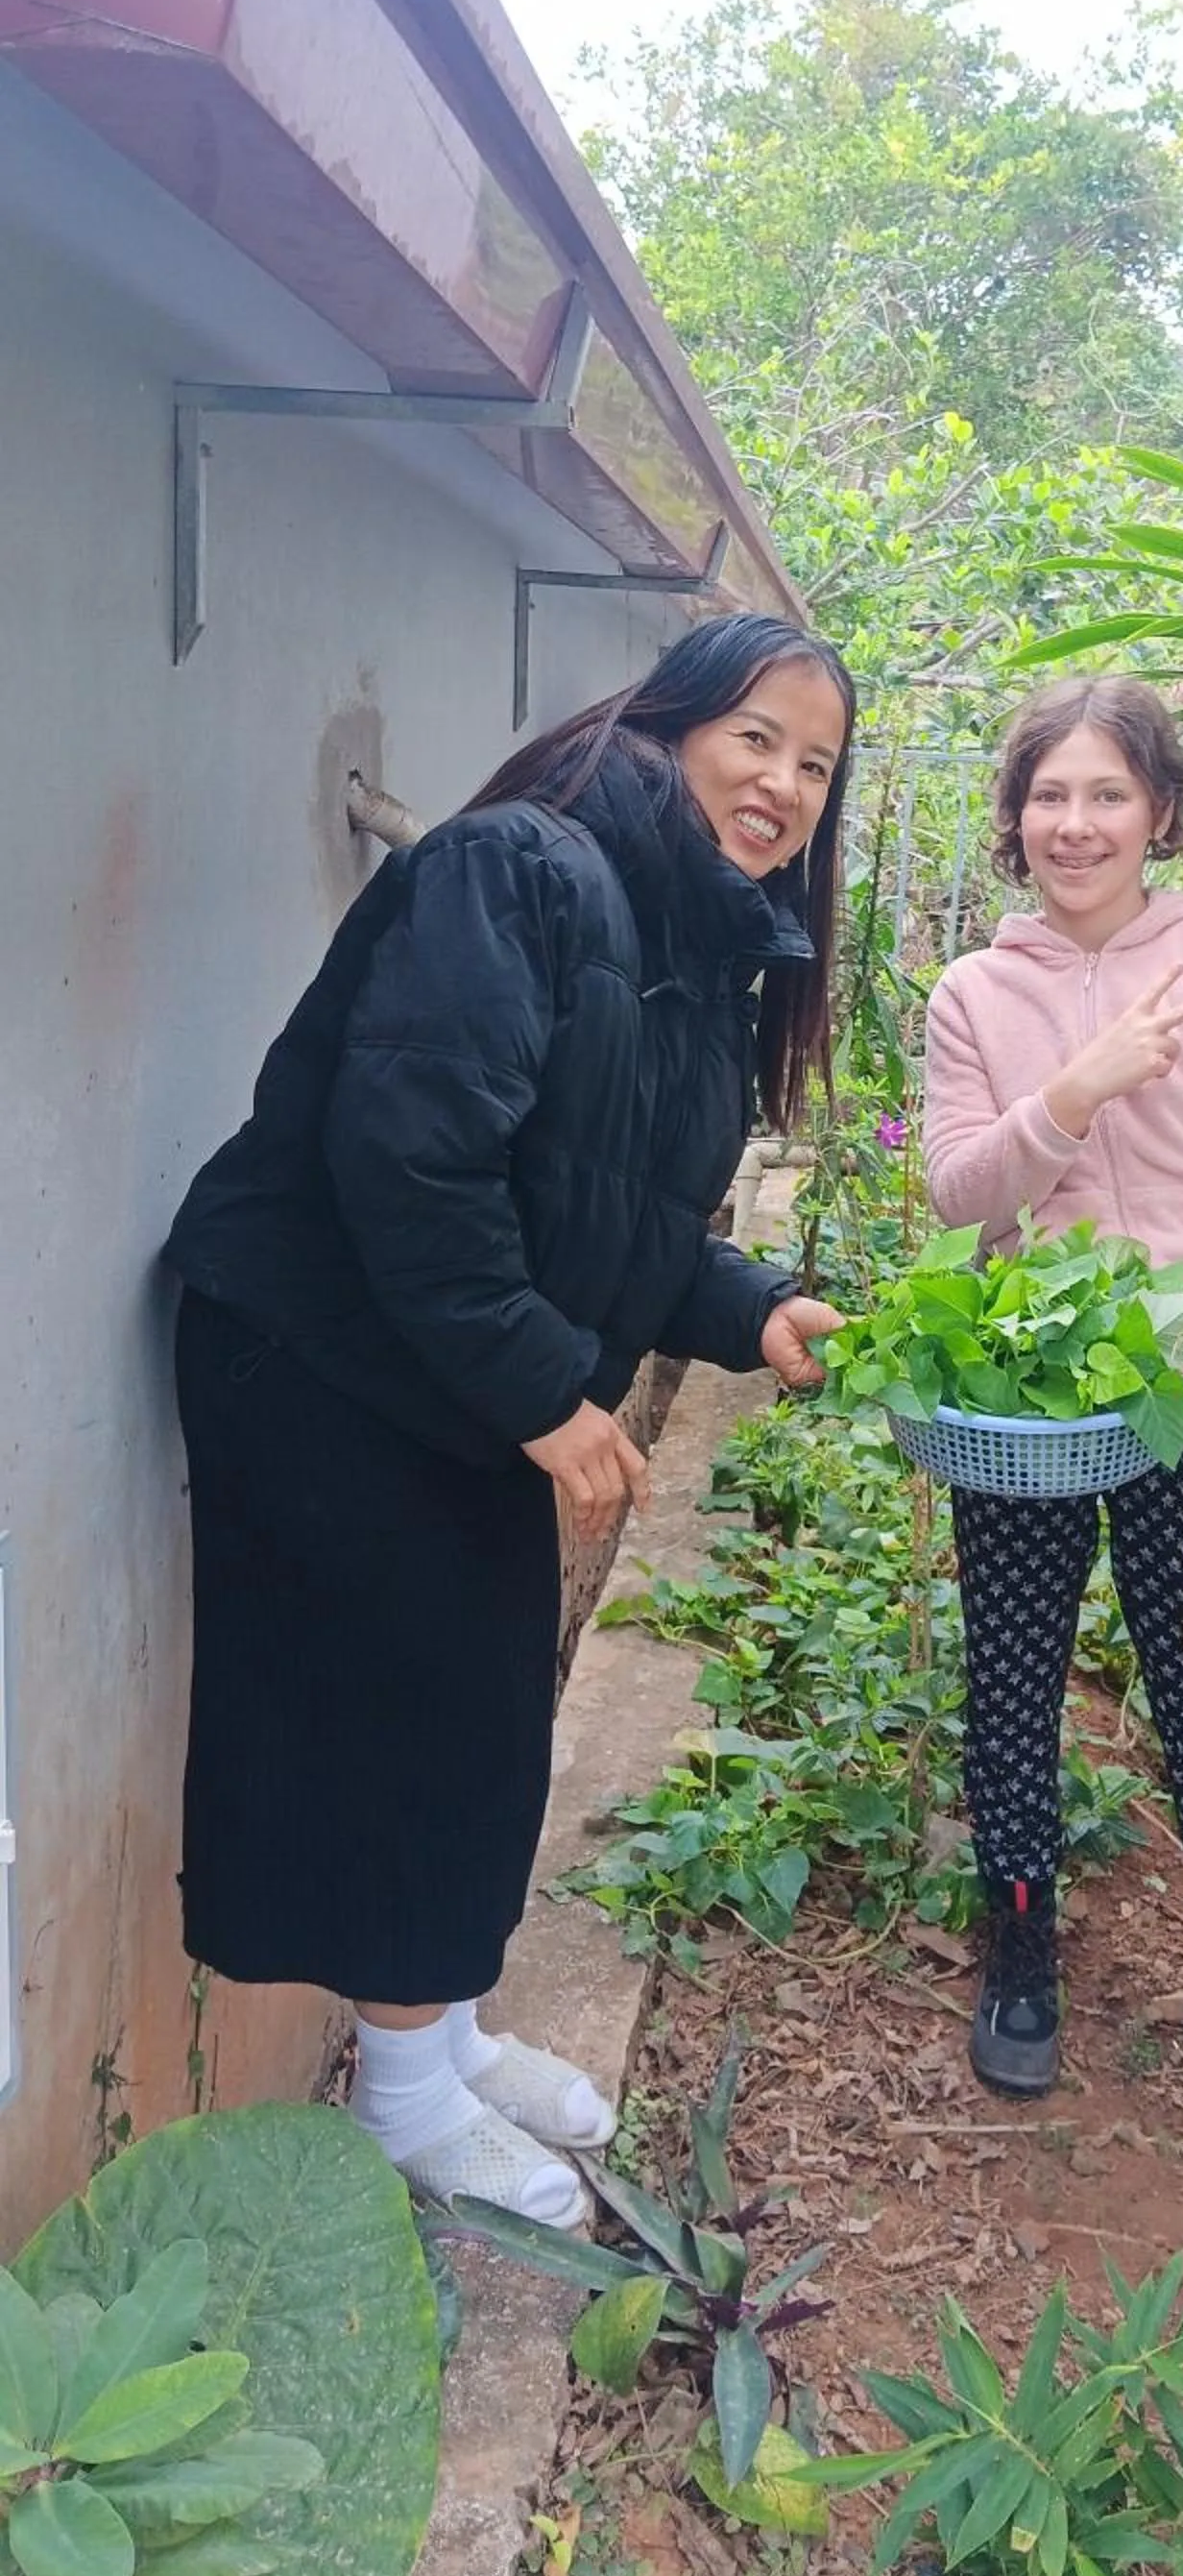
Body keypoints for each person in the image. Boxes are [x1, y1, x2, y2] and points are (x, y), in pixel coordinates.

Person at [164, 616, 852, 2227]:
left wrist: (747, 1305)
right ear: (672, 719)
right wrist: (546, 1386)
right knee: (421, 1712)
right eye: (757, 736)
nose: (784, 785)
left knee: (474, 1712)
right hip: (318, 1348)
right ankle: (405, 2092)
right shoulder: (518, 872)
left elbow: (617, 1213)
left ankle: (443, 2041)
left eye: (817, 765)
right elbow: (410, 1160)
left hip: (434, 1361)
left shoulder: (695, 950)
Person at [923, 674, 1183, 2134]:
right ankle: (1021, 1943)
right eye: (1048, 796)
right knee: (1013, 1672)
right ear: (1015, 819)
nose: (1073, 825)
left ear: (1160, 811)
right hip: (1025, 1386)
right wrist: (1072, 1090)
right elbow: (962, 1194)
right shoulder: (974, 994)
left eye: (1106, 795)